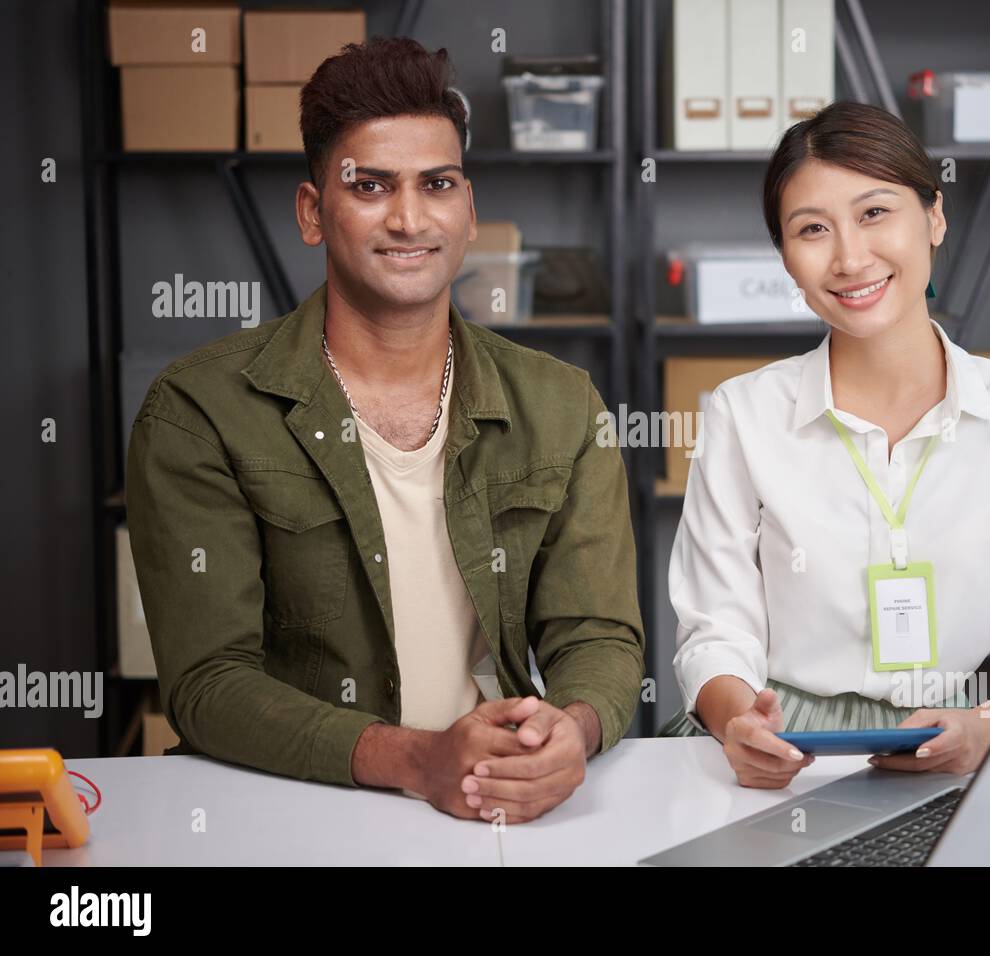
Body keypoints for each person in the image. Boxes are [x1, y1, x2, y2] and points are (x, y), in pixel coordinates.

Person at [126, 38, 644, 824]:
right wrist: (416, 759)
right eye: (369, 186)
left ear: (468, 213)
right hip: (288, 808)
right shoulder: (200, 411)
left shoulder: (561, 403)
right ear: (312, 212)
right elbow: (208, 685)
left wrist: (571, 729)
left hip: (494, 804)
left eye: (437, 184)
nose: (408, 218)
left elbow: (599, 636)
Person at [661, 102, 990, 789]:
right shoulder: (742, 414)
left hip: (967, 729)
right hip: (784, 743)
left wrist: (986, 730)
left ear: (933, 217)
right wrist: (740, 723)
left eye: (875, 213)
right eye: (812, 229)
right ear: (786, 257)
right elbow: (715, 630)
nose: (848, 257)